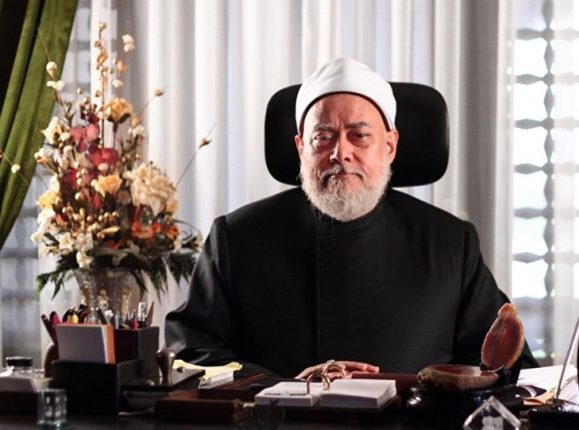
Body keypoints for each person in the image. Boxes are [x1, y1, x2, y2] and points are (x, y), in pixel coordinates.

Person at [165, 57, 538, 379]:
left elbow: (504, 364)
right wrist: (284, 388)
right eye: (323, 137)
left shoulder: (451, 242)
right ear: (300, 147)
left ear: (389, 146)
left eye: (359, 135)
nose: (340, 153)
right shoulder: (238, 238)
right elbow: (191, 354)